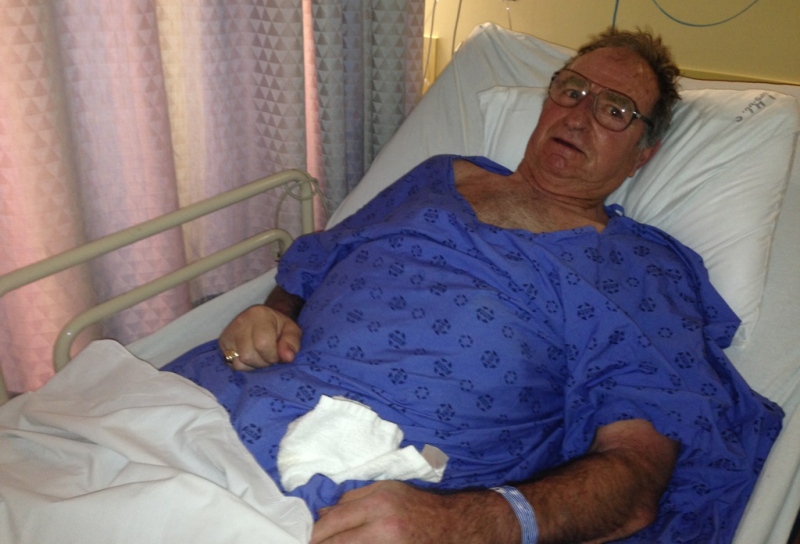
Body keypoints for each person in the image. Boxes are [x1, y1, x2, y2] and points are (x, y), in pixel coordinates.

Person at [165, 27, 782, 544]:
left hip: (375, 493)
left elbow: (636, 476)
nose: (579, 113)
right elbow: (312, 264)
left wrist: (463, 522)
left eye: (614, 109)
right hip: (214, 407)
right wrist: (269, 313)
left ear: (643, 154)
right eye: (572, 90)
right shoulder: (439, 176)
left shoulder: (641, 270)